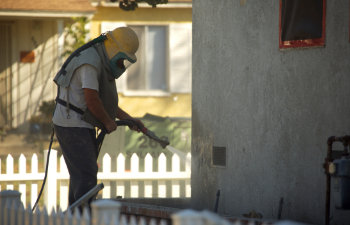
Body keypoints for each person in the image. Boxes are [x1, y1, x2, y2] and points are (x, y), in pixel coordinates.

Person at [52, 27, 143, 209]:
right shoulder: (90, 62)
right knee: (86, 174)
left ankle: (75, 216)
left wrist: (130, 119)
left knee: (82, 175)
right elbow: (92, 100)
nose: (121, 65)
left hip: (79, 123)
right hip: (72, 125)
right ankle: (81, 217)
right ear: (114, 50)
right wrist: (108, 122)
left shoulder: (98, 59)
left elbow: (105, 104)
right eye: (122, 58)